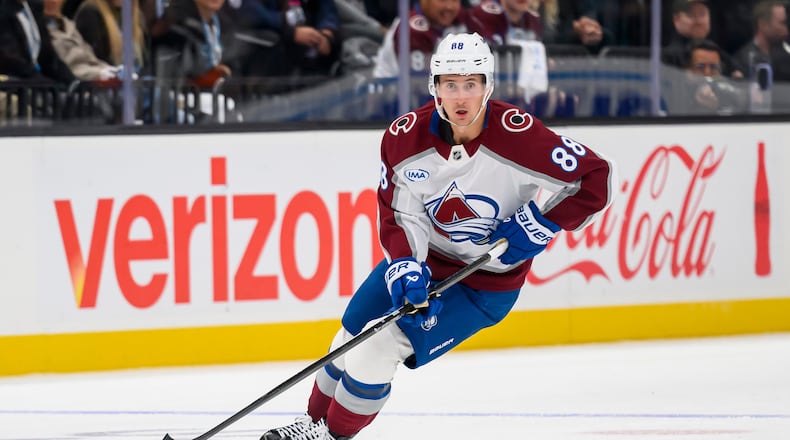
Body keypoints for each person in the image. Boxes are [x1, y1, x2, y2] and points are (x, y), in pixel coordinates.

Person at [260, 32, 617, 440]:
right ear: (434, 88)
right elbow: (400, 210)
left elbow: (595, 178)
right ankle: (312, 422)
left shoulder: (520, 137)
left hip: (484, 284)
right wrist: (407, 263)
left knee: (380, 348)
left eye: (471, 84)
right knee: (351, 332)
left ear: (488, 86)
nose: (461, 97)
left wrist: (540, 222)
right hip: (429, 259)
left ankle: (332, 436)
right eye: (450, 85)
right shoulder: (404, 137)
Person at [662, 0, 743, 78]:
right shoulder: (666, 60)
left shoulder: (725, 59)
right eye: (691, 15)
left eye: (702, 14)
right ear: (676, 20)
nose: (698, 21)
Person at [43, 0, 120, 81]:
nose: (53, 1)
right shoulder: (38, 31)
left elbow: (90, 59)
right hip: (73, 82)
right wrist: (99, 73)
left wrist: (108, 70)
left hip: (96, 75)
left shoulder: (69, 26)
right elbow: (62, 69)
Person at [672, 38, 748, 115]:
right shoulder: (676, 95)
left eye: (713, 67)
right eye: (700, 67)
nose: (707, 72)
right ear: (687, 70)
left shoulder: (726, 90)